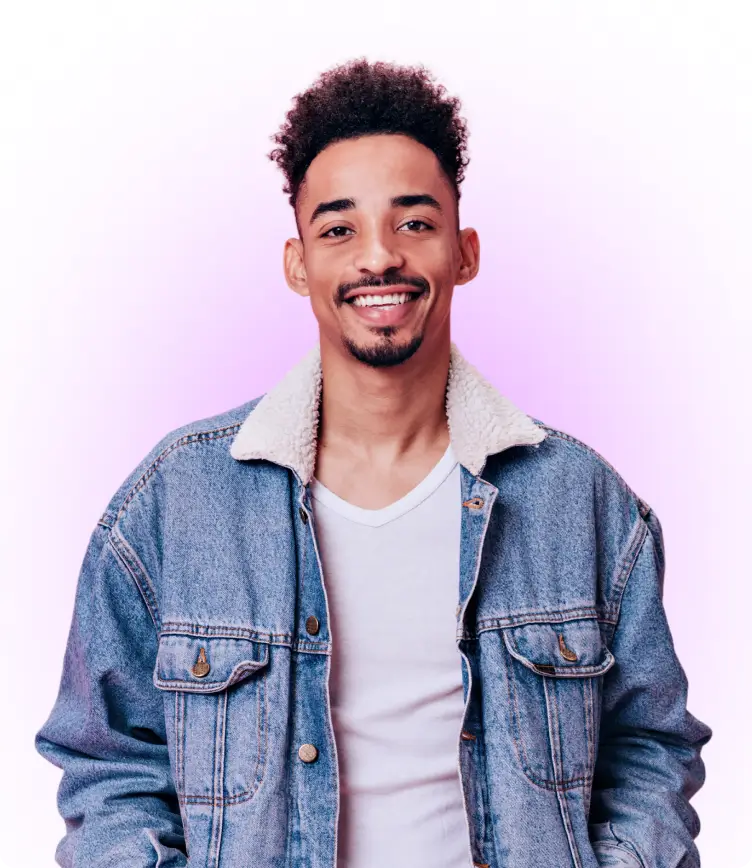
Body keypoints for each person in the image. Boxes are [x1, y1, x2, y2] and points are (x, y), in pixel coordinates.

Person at [36, 58, 711, 868]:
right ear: (298, 263)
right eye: (339, 229)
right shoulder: (175, 502)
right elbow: (108, 765)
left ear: (465, 252)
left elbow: (651, 750)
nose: (379, 258)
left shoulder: (581, 501)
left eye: (414, 223)